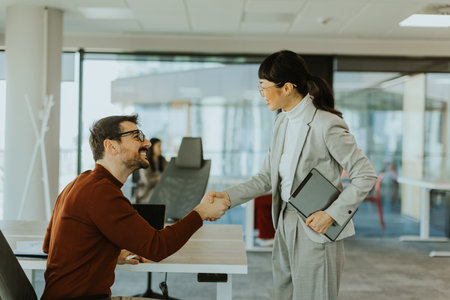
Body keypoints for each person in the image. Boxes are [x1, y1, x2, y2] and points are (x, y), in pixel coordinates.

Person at [209, 50, 377, 300]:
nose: (262, 94)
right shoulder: (281, 123)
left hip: (316, 225)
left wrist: (331, 215)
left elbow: (365, 175)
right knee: (283, 294)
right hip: (285, 219)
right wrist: (227, 197)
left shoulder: (326, 124)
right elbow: (266, 177)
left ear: (287, 87)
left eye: (264, 87)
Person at [41, 115, 230, 300]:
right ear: (111, 146)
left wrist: (109, 255)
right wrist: (201, 212)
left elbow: (49, 245)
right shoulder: (102, 192)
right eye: (137, 136)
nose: (147, 142)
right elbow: (157, 247)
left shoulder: (79, 183)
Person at [135, 138, 167, 203]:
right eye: (159, 146)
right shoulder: (145, 161)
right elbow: (148, 182)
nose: (160, 149)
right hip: (147, 192)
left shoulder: (163, 160)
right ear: (152, 147)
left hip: (160, 191)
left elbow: (168, 175)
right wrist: (159, 179)